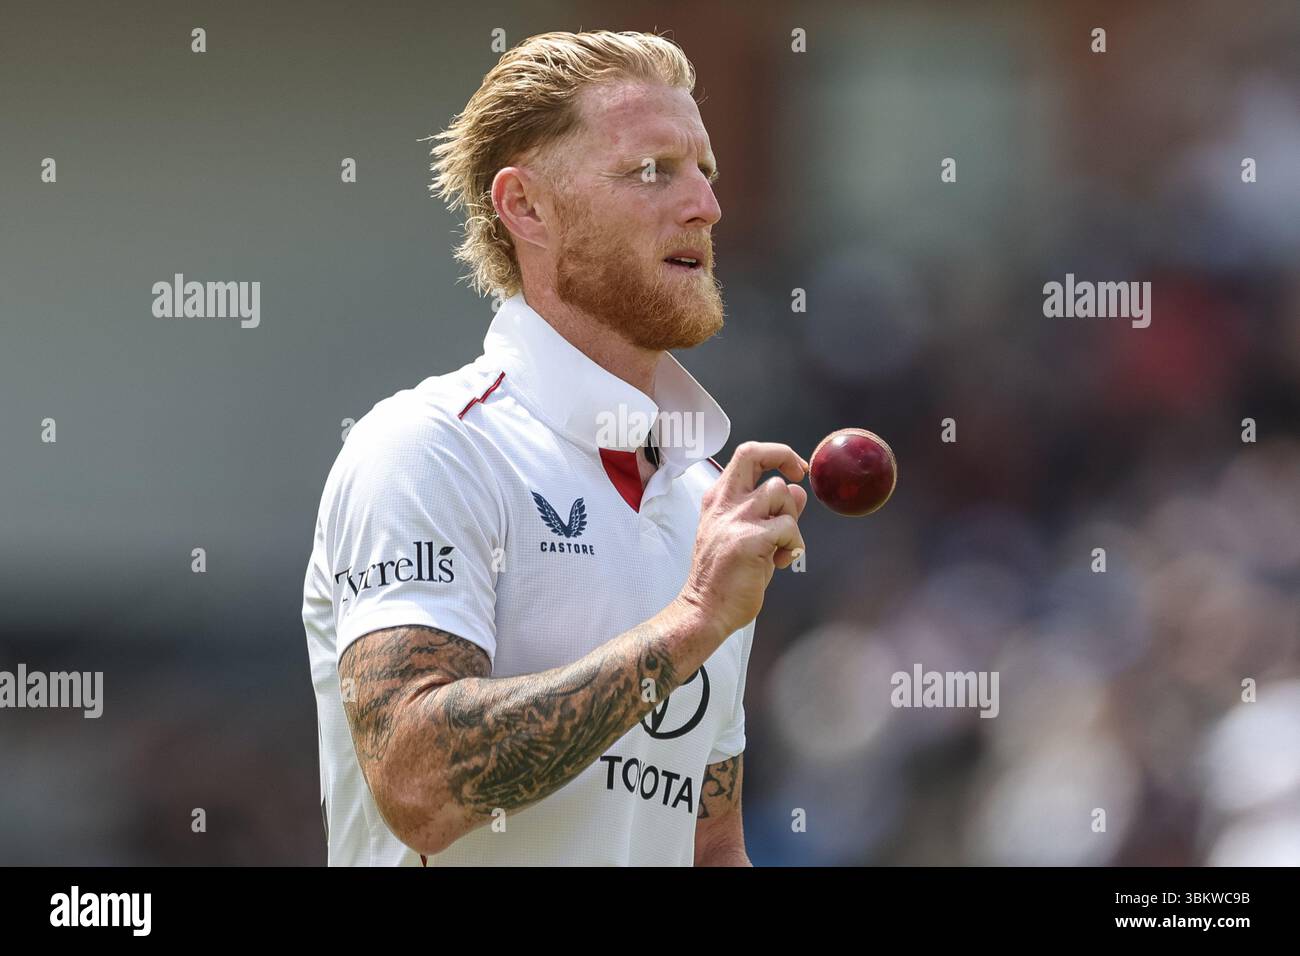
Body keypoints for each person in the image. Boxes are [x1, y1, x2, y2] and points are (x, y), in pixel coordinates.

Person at [302, 29, 808, 866]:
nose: (706, 206)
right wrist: (690, 622)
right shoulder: (427, 449)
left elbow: (707, 844)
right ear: (526, 207)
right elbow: (419, 786)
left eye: (704, 173)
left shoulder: (699, 501)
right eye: (652, 171)